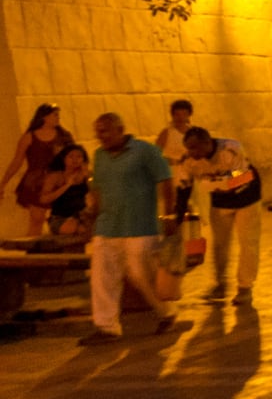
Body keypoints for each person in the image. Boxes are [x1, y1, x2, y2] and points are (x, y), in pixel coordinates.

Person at [80, 112, 180, 344]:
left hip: (140, 225)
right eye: (98, 132)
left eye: (105, 131)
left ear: (120, 129)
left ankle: (167, 312)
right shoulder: (100, 155)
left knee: (141, 274)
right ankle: (107, 327)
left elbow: (166, 180)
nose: (101, 136)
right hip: (107, 226)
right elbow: (98, 189)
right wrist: (92, 217)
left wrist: (170, 215)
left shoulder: (145, 151)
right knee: (102, 277)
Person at [176, 126, 261, 306]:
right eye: (189, 148)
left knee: (248, 242)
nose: (192, 153)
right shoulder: (189, 161)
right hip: (220, 201)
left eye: (195, 148)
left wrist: (222, 185)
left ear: (207, 143)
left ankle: (245, 287)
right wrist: (179, 214)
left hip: (247, 198)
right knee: (220, 244)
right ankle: (220, 283)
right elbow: (184, 187)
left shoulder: (230, 149)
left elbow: (242, 177)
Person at [5, 103, 72, 237]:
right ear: (44, 117)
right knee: (37, 219)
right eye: (55, 115)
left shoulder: (64, 136)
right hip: (35, 183)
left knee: (62, 219)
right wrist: (4, 182)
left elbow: (74, 156)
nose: (58, 118)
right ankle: (33, 247)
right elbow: (17, 161)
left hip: (57, 180)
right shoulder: (29, 137)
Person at [43, 143, 95, 237]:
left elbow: (96, 194)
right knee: (78, 229)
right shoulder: (56, 176)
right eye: (71, 156)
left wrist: (87, 177)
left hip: (82, 217)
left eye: (79, 157)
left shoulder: (87, 175)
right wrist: (67, 185)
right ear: (64, 158)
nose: (75, 160)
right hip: (60, 219)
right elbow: (44, 199)